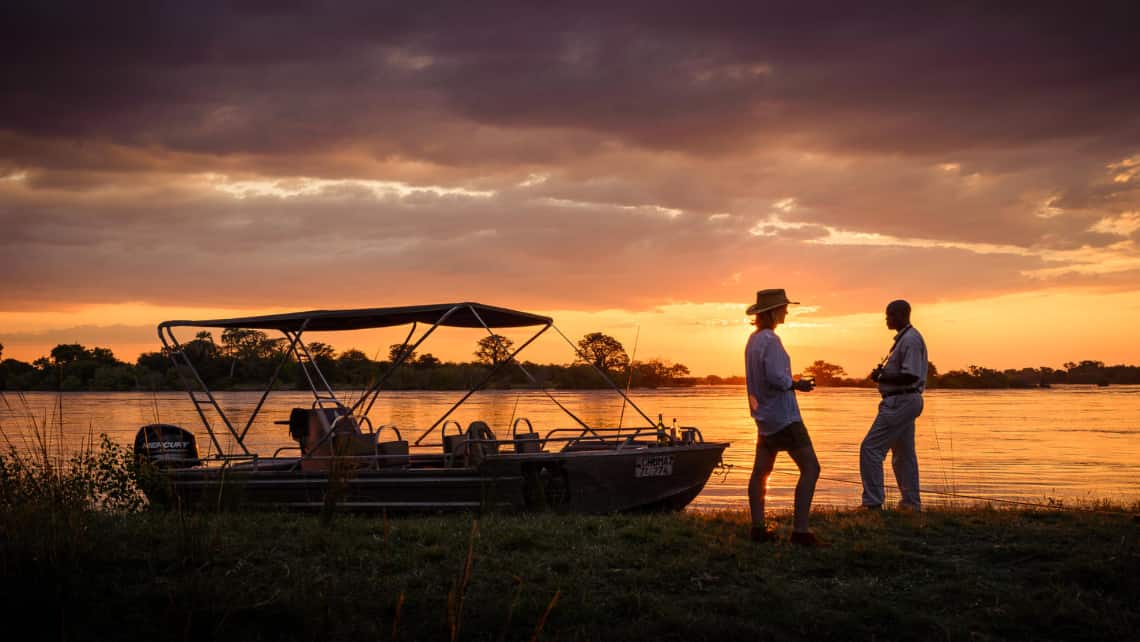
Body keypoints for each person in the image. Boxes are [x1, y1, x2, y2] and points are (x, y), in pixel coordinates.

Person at [744, 288, 824, 546]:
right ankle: (800, 531)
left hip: (764, 418)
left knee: (760, 472)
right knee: (811, 468)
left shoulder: (753, 340)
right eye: (783, 308)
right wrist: (798, 384)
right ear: (773, 312)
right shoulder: (771, 341)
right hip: (784, 417)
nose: (787, 311)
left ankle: (758, 527)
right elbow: (777, 378)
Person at [860, 299, 928, 511]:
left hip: (901, 401)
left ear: (900, 314)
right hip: (904, 401)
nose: (886, 319)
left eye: (889, 315)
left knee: (870, 449)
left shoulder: (910, 340)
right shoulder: (904, 339)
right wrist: (883, 375)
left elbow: (910, 376)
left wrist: (883, 377)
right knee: (903, 455)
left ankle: (872, 503)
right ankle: (910, 504)